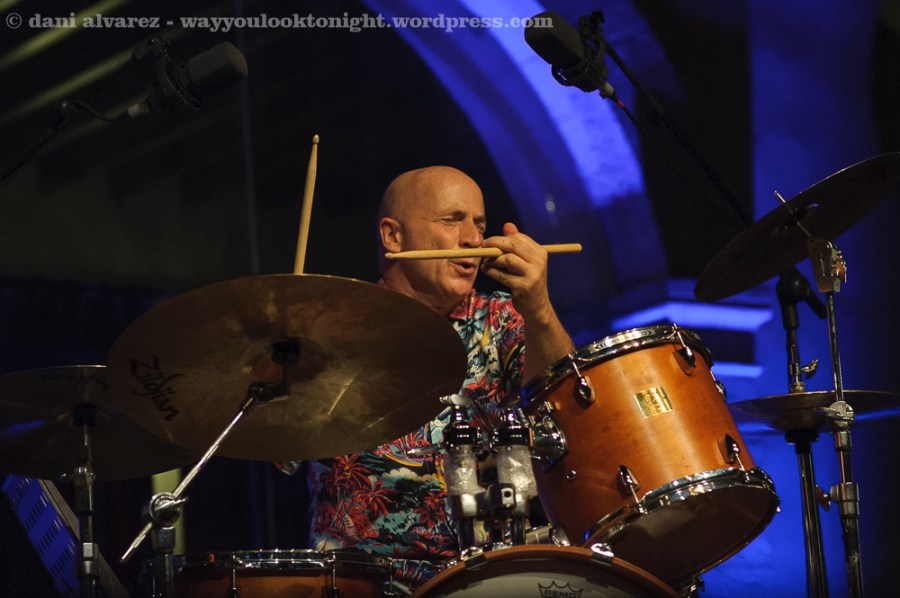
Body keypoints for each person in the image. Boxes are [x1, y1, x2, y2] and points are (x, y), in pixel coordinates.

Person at [279, 165, 574, 593]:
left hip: (493, 578)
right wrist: (284, 358)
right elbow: (275, 443)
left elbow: (565, 411)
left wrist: (540, 309)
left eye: (480, 225)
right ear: (393, 237)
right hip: (361, 582)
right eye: (452, 220)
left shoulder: (502, 318)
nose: (473, 239)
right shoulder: (334, 332)